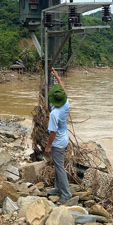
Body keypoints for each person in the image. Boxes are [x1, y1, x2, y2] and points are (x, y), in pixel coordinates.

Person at [45, 68, 72, 205]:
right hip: (64, 138)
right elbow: (64, 90)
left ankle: (66, 193)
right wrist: (57, 77)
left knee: (59, 167)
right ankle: (58, 188)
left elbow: (53, 132)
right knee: (57, 164)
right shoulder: (65, 104)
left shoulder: (54, 114)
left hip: (58, 142)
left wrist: (48, 146)